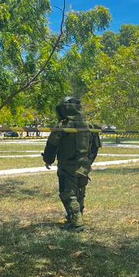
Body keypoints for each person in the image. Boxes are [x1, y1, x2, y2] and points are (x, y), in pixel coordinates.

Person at [41, 97, 101, 231]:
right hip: (83, 166)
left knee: (68, 194)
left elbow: (51, 145)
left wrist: (48, 160)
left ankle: (77, 224)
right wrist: (88, 162)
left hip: (67, 166)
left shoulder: (63, 125)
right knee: (80, 192)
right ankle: (74, 219)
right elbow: (95, 147)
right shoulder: (89, 125)